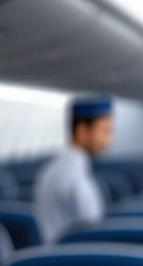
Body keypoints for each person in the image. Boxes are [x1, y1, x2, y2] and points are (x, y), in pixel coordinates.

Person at [33, 96, 113, 243]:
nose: (107, 140)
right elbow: (93, 232)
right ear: (82, 131)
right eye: (104, 131)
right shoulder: (77, 179)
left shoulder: (49, 170)